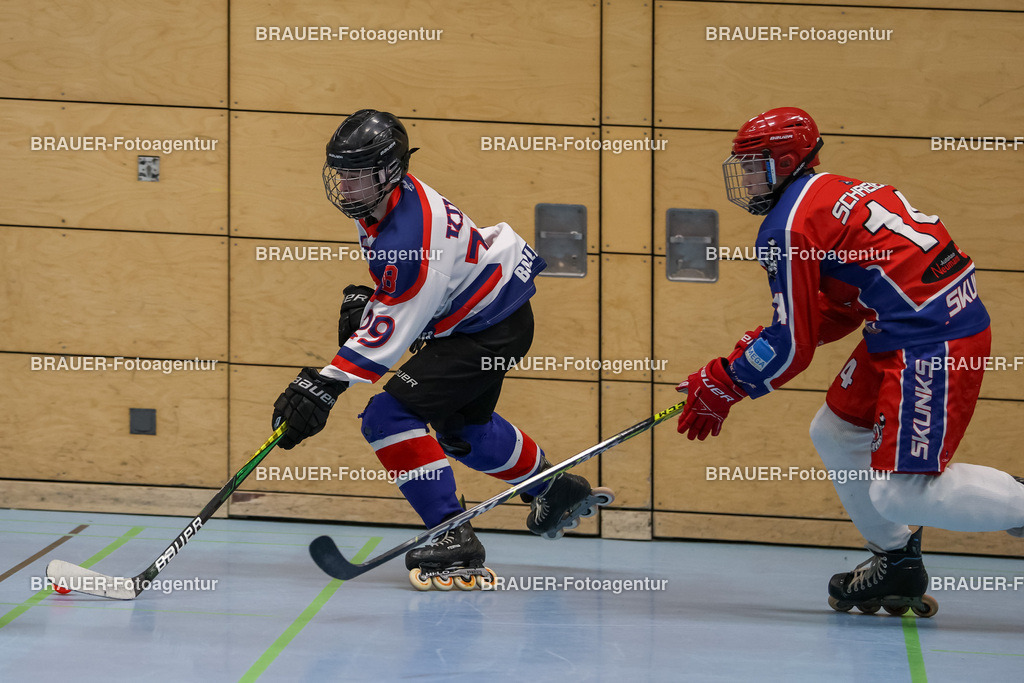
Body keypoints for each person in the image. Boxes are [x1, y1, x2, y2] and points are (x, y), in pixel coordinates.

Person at [675, 106, 1024, 616]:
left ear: (789, 161)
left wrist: (726, 382)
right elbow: (841, 306)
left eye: (756, 165)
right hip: (913, 326)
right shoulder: (830, 191)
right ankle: (895, 561)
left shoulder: (787, 229)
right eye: (743, 165)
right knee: (836, 431)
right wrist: (743, 360)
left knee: (901, 494)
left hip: (932, 341)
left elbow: (793, 347)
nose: (746, 178)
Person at [269, 109, 613, 589]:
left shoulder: (411, 237)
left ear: (389, 171)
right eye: (341, 174)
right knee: (463, 429)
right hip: (492, 319)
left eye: (357, 175)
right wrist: (375, 303)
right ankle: (554, 488)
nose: (346, 186)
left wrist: (327, 383)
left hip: (484, 330)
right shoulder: (384, 202)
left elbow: (403, 318)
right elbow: (409, 297)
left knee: (386, 417)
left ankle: (452, 536)